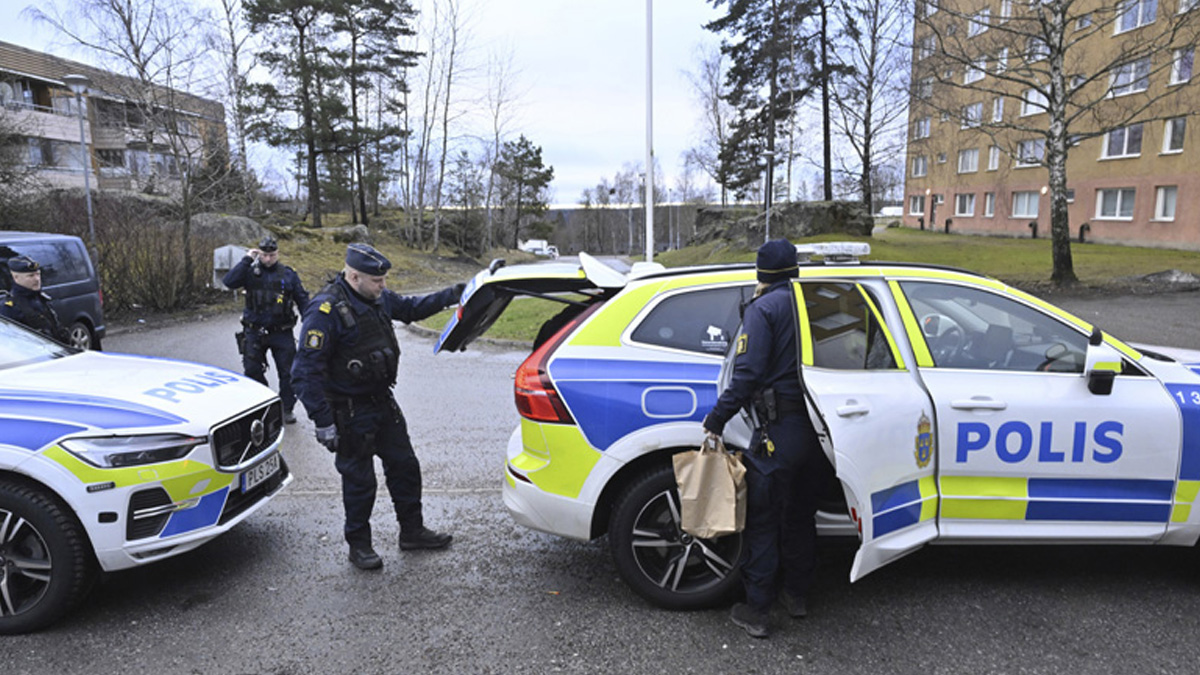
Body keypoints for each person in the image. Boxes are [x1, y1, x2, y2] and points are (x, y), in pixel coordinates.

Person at [291, 243, 466, 571]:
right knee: (360, 483)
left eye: (384, 280)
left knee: (405, 467)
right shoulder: (326, 311)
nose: (383, 285)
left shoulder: (376, 297)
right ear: (354, 276)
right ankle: (359, 546)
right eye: (377, 280)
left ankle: (412, 532)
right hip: (348, 411)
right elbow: (303, 373)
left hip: (382, 402)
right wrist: (323, 421)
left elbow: (413, 308)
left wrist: (458, 292)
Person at [701, 238, 834, 639]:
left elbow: (748, 373)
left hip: (778, 432)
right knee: (800, 516)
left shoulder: (764, 309)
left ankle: (757, 611)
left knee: (763, 522)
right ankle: (796, 596)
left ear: (762, 273)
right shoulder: (815, 302)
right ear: (794, 268)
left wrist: (716, 419)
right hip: (820, 432)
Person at [222, 236, 310, 424]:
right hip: (254, 331)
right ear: (258, 253)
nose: (268, 259)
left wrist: (310, 324)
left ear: (277, 254)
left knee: (288, 373)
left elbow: (303, 300)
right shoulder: (249, 272)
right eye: (264, 255)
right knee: (252, 369)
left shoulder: (288, 274)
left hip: (281, 331)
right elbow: (228, 282)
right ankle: (264, 404)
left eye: (271, 255)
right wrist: (247, 259)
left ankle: (286, 407)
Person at [1, 255, 69, 343]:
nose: (37, 279)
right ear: (16, 278)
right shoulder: (8, 308)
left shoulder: (41, 299)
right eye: (31, 276)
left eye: (38, 274)